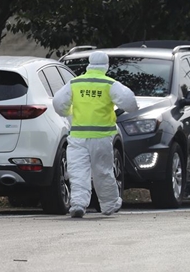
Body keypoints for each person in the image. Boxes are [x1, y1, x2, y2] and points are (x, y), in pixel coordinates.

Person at [53, 51, 138, 218]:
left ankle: (78, 204)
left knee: (78, 171)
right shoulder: (109, 84)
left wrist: (67, 112)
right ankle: (109, 204)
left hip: (77, 137)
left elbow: (58, 103)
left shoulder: (75, 83)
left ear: (89, 64)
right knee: (103, 171)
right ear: (105, 66)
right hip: (102, 137)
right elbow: (130, 103)